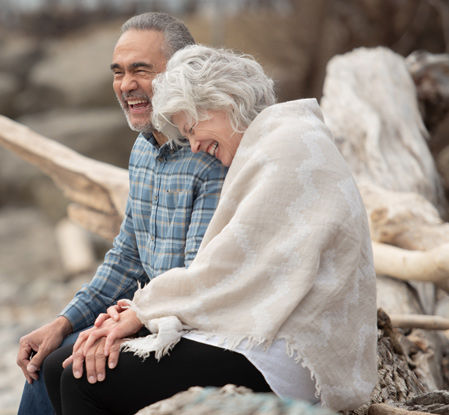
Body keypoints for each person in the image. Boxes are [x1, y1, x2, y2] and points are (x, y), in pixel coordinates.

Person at [44, 45, 378, 414]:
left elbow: (233, 271)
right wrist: (136, 312)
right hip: (264, 336)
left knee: (84, 379)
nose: (195, 146)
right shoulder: (275, 141)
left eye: (192, 128)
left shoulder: (287, 148)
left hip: (292, 353)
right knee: (61, 365)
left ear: (224, 102)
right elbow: (234, 272)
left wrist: (142, 311)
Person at [16, 13, 229, 414]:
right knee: (42, 362)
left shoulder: (210, 153)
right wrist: (62, 322)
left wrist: (123, 321)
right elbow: (127, 259)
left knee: (70, 368)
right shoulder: (144, 149)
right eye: (118, 72)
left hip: (189, 328)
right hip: (145, 312)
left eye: (140, 70)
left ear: (183, 72)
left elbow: (195, 282)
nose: (126, 84)